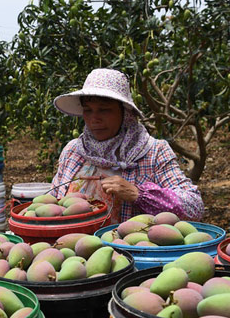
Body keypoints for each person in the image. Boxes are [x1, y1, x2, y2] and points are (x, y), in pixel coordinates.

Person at [51, 68, 204, 223]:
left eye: (104, 110)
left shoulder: (154, 152)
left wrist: (138, 194)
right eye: (88, 110)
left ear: (125, 113)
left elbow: (194, 207)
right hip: (71, 245)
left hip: (128, 246)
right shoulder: (74, 151)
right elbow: (54, 200)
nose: (94, 119)